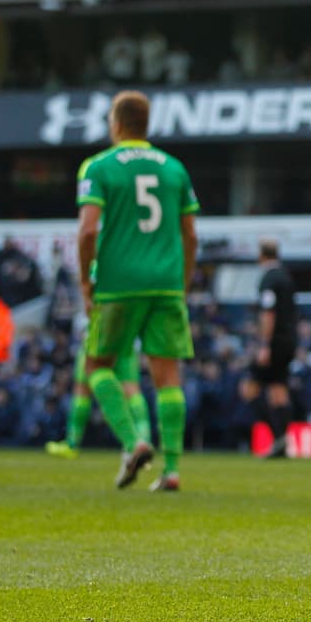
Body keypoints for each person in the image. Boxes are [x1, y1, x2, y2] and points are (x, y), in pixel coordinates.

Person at [77, 90, 199, 491]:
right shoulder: (175, 168)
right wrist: (183, 281)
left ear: (115, 123)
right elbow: (190, 234)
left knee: (98, 367)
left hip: (117, 285)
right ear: (147, 124)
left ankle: (134, 442)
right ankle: (173, 470)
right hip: (166, 284)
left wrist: (85, 279)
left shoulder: (99, 167)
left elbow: (88, 229)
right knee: (168, 377)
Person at [45, 340, 149, 459]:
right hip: (126, 340)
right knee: (132, 391)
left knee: (82, 390)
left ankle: (72, 444)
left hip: (96, 340)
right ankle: (144, 441)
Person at [243, 238, 297, 459]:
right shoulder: (286, 277)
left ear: (261, 255)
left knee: (249, 390)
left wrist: (264, 344)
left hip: (273, 342)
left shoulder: (269, 279)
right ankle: (282, 442)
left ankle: (278, 438)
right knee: (279, 392)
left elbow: (268, 313)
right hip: (289, 340)